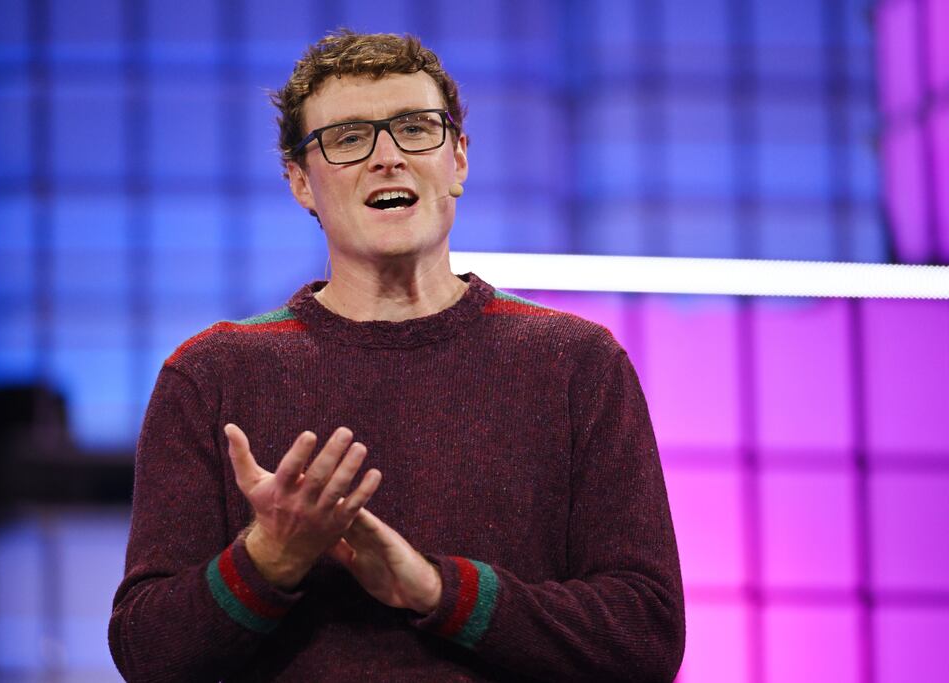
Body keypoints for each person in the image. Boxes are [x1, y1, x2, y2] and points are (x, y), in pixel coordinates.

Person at [109, 30, 684, 682]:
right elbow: (147, 651)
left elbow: (647, 635)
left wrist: (437, 590)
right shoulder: (211, 375)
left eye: (415, 128)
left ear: (459, 160)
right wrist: (269, 556)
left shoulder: (577, 362)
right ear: (300, 181)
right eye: (349, 138)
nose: (388, 157)